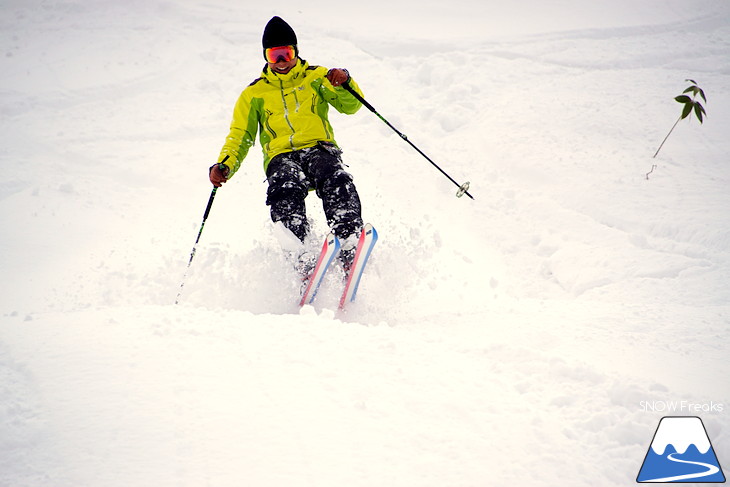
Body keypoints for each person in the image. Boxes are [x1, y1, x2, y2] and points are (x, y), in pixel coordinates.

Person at [209, 16, 365, 273]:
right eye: (274, 55)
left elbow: (351, 106)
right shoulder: (254, 94)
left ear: (296, 52)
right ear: (266, 57)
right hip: (281, 155)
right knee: (284, 185)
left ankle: (349, 239)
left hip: (319, 147)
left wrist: (344, 81)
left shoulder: (316, 77)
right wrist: (224, 165)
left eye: (286, 53)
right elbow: (240, 135)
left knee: (335, 175)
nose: (281, 61)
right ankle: (299, 254)